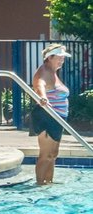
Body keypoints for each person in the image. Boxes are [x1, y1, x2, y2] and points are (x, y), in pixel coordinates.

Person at [30, 44, 72, 186]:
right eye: (59, 58)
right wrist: (43, 97)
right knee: (46, 155)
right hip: (47, 116)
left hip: (58, 118)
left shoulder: (53, 72)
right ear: (50, 58)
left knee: (53, 155)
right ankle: (40, 184)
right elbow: (39, 84)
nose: (62, 60)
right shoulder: (44, 71)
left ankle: (49, 183)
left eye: (63, 58)